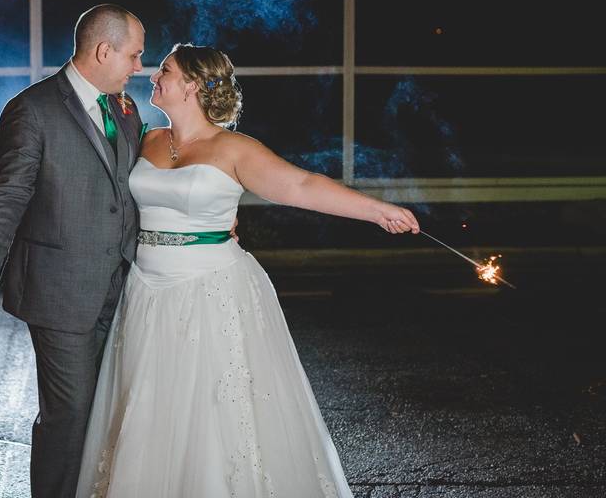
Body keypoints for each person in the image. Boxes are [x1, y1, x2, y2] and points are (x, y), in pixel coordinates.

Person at [76, 44, 420, 498]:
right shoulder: (146, 138)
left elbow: (299, 185)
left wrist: (375, 210)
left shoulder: (234, 147)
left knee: (214, 414)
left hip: (211, 289)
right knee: (152, 408)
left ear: (193, 85)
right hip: (146, 291)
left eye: (166, 70)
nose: (153, 76)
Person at [0, 4, 146, 497]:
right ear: (105, 51)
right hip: (60, 291)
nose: (139, 67)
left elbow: (130, 190)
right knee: (71, 413)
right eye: (134, 55)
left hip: (124, 285)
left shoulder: (126, 109)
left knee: (110, 408)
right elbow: (10, 191)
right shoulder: (32, 108)